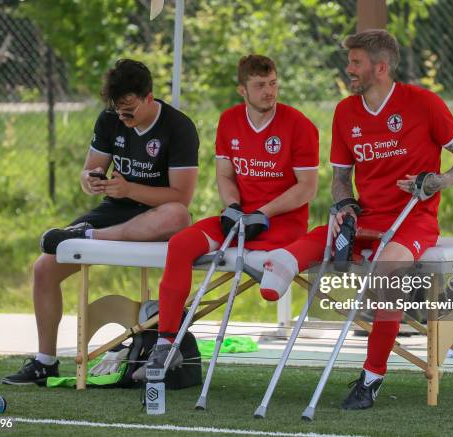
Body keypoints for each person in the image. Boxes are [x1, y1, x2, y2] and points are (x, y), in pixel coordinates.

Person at [259, 29, 453, 410]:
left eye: (355, 62)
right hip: (369, 214)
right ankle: (282, 264)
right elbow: (341, 178)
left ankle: (372, 377)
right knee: (325, 233)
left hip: (414, 217)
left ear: (380, 67)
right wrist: (345, 204)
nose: (348, 70)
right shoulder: (346, 112)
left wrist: (436, 181)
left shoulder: (424, 103)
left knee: (387, 270)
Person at [2, 59, 199, 385]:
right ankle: (45, 362)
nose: (123, 118)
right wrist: (90, 180)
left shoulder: (178, 127)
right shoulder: (110, 119)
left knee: (179, 215)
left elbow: (181, 197)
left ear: (149, 98)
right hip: (115, 210)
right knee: (43, 268)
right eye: (117, 110)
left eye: (129, 110)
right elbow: (89, 170)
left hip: (157, 214)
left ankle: (90, 237)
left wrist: (130, 188)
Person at [131, 54, 319, 378]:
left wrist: (264, 212)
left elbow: (307, 189)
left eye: (273, 83)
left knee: (262, 253)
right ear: (242, 90)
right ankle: (166, 344)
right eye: (260, 86)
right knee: (180, 245)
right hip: (239, 219)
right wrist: (232, 205)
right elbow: (225, 175)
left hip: (280, 224)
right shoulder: (230, 120)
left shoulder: (299, 125)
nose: (269, 92)